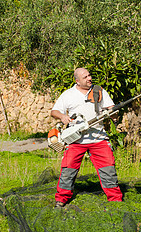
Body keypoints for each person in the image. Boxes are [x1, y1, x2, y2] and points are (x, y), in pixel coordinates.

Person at [50, 68, 122, 207]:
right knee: (68, 170)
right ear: (77, 81)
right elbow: (54, 111)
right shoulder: (68, 95)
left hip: (99, 138)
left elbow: (112, 109)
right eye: (85, 77)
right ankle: (61, 199)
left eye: (89, 75)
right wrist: (63, 116)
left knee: (109, 170)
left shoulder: (99, 91)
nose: (89, 78)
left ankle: (116, 200)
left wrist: (113, 114)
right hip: (75, 140)